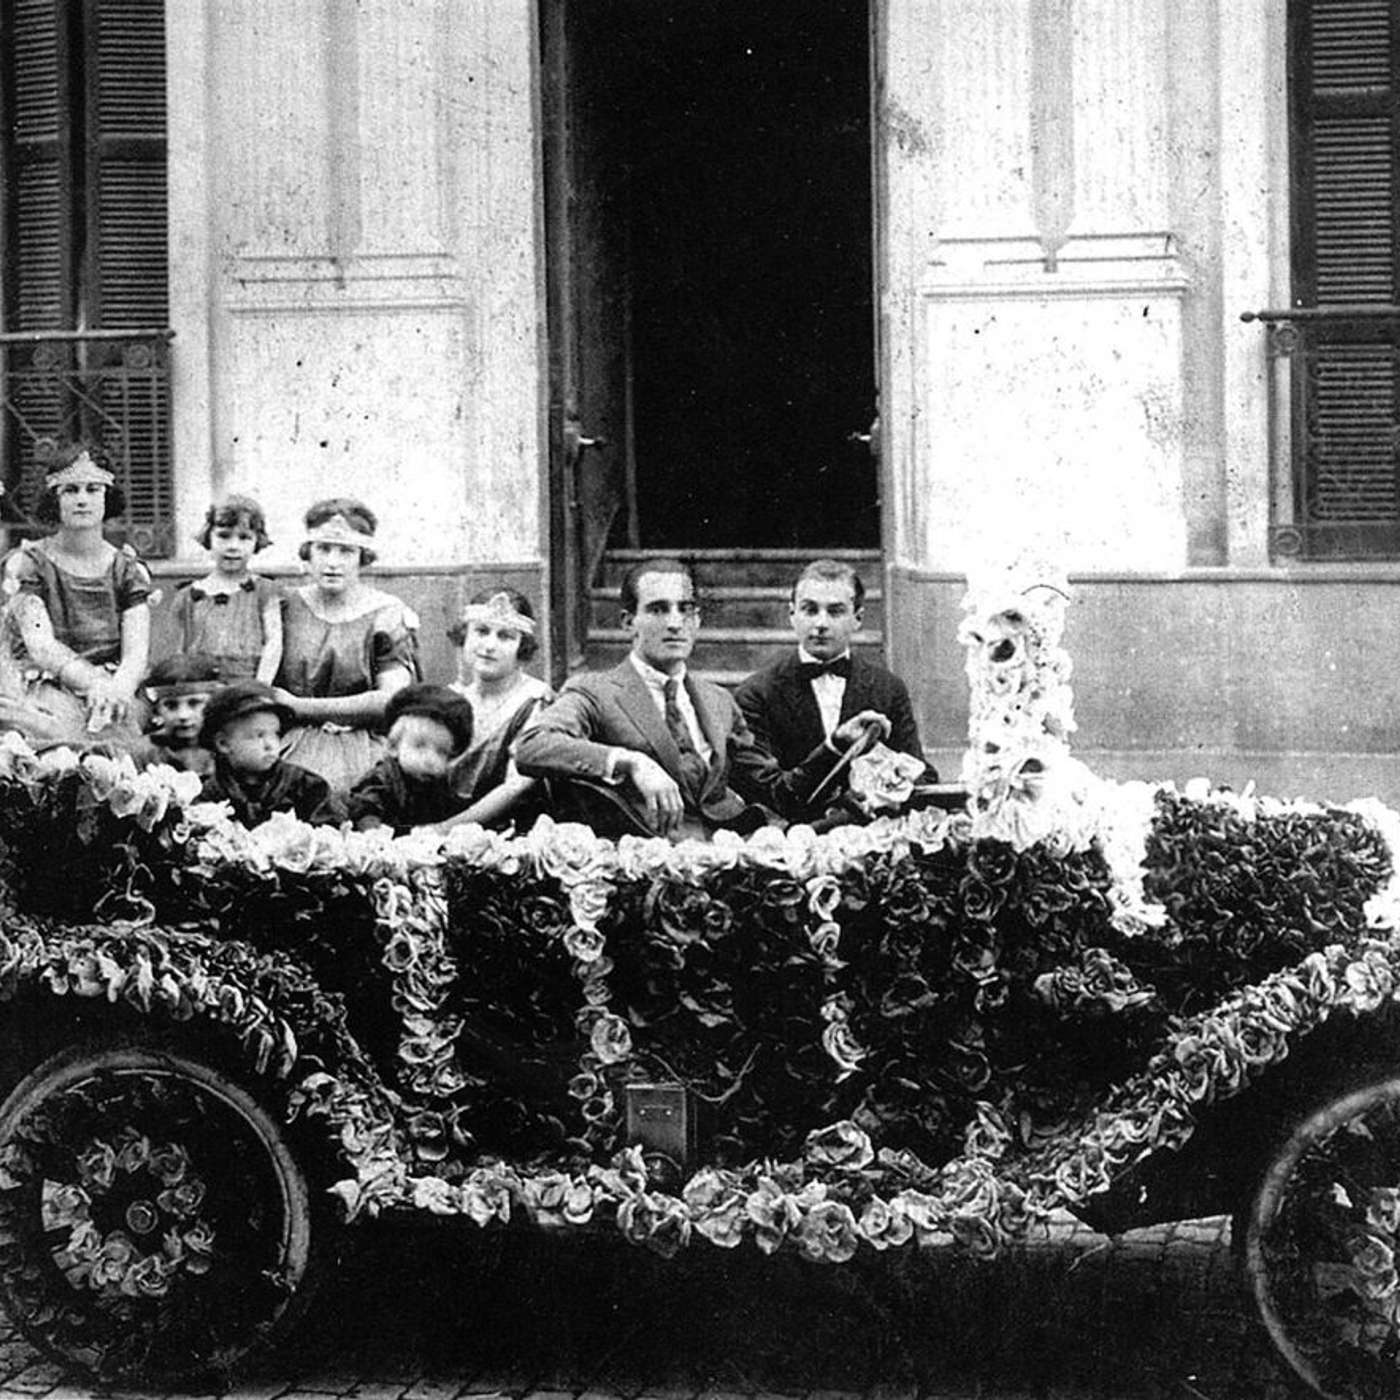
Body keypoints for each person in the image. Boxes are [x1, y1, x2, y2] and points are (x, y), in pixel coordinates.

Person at [515, 558, 888, 841]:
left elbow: (778, 793)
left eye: (685, 609)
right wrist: (631, 762)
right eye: (658, 609)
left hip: (730, 849)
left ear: (697, 621)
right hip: (649, 857)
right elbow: (532, 746)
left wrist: (836, 744)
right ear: (629, 622)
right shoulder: (595, 690)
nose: (675, 622)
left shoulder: (718, 701)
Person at [734, 558, 929, 822]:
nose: (821, 623)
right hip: (794, 840)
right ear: (792, 615)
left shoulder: (888, 688)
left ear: (858, 618)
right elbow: (766, 790)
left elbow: (921, 773)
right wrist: (835, 747)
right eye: (810, 610)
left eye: (835, 611)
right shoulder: (756, 693)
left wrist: (879, 795)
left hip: (869, 834)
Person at [0, 442, 151, 747]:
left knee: (130, 740)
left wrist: (116, 689)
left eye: (93, 489)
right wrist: (94, 682)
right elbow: (41, 646)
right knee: (60, 736)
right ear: (54, 499)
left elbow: (135, 652)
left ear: (107, 497)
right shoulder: (30, 563)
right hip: (44, 682)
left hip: (113, 687)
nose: (82, 499)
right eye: (70, 490)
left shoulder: (128, 569)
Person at [271, 498, 418, 790]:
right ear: (308, 554)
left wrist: (300, 706)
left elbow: (392, 699)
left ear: (363, 557)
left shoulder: (386, 613)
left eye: (346, 551)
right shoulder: (283, 605)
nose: (332, 562)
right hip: (289, 743)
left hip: (365, 745)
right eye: (323, 549)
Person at [443, 588, 551, 829]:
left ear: (522, 647)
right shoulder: (451, 698)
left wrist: (445, 829)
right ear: (465, 636)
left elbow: (517, 785)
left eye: (505, 636)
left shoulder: (534, 701)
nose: (489, 645)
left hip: (511, 830)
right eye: (481, 631)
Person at [167, 494, 282, 683]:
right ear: (208, 537)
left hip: (247, 688)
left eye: (244, 538)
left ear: (257, 542)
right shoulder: (187, 596)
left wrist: (260, 687)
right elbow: (178, 653)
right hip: (201, 690)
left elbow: (274, 643)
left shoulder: (265, 591)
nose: (233, 546)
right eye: (224, 536)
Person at [199, 680, 341, 827]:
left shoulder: (305, 785)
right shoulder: (210, 792)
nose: (270, 745)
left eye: (275, 734)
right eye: (259, 735)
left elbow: (329, 832)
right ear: (223, 744)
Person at [347, 683, 474, 834]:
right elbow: (366, 810)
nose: (430, 759)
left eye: (441, 752)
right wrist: (374, 833)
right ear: (393, 746)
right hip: (384, 845)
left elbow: (451, 811)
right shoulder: (382, 779)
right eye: (420, 746)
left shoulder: (438, 784)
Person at [135, 653, 221, 777]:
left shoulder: (226, 749)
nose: (183, 715)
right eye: (171, 705)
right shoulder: (144, 754)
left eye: (194, 703)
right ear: (157, 710)